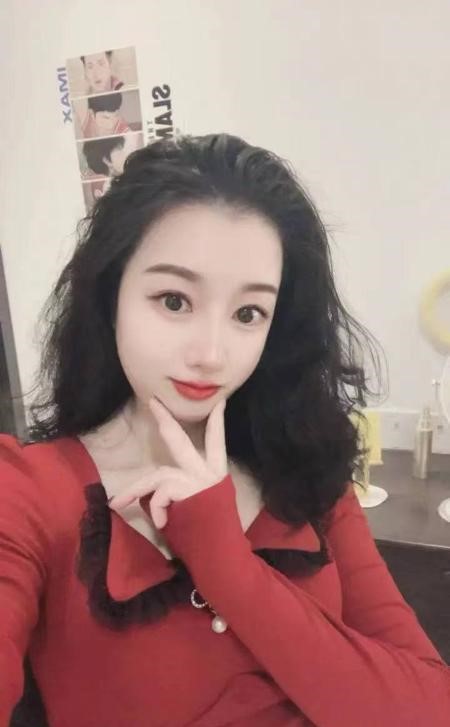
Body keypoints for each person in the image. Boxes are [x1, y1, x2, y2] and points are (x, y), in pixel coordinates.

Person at [1, 134, 449, 727]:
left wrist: (224, 562)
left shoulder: (305, 471)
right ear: (111, 296)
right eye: (174, 300)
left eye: (247, 313)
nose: (211, 354)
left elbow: (429, 704)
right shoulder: (28, 493)